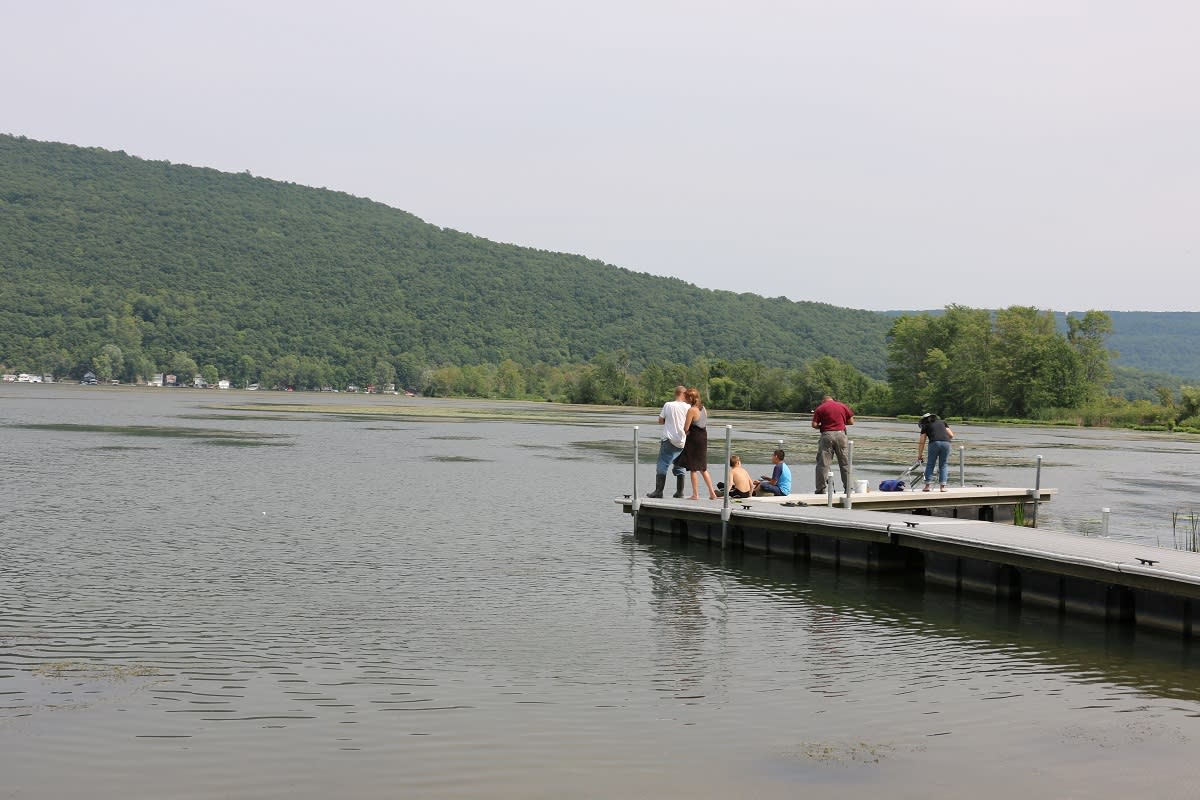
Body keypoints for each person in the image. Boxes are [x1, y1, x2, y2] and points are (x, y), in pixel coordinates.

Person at [646, 386, 690, 498]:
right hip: (682, 440)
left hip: (669, 440)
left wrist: (669, 420)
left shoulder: (668, 405)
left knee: (662, 464)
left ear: (676, 393)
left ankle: (658, 491)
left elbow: (660, 421)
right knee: (680, 466)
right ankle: (680, 492)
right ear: (683, 394)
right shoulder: (688, 407)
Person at [676, 388, 718, 500]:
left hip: (694, 438)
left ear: (690, 398)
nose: (684, 398)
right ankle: (712, 493)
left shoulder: (692, 410)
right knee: (703, 468)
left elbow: (685, 428)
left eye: (686, 396)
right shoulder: (703, 408)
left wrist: (686, 432)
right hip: (703, 437)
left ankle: (695, 494)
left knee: (693, 468)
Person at [811, 393, 855, 493]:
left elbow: (814, 424)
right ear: (832, 399)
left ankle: (821, 489)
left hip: (827, 435)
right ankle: (848, 488)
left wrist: (822, 426)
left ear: (823, 401)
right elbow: (852, 421)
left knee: (823, 463)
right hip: (841, 435)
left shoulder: (820, 408)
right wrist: (841, 423)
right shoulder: (843, 406)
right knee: (845, 463)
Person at [917, 412, 955, 492]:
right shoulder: (943, 422)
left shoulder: (925, 425)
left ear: (924, 420)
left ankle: (927, 486)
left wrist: (920, 455)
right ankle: (942, 487)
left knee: (930, 464)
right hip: (946, 443)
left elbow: (922, 441)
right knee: (943, 465)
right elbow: (951, 435)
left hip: (934, 443)